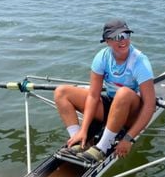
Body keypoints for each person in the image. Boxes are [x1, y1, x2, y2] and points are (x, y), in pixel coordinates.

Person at [54, 18, 156, 162]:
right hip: (111, 106)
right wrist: (83, 129)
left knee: (123, 93)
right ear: (107, 41)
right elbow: (93, 96)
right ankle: (78, 141)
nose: (123, 41)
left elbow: (150, 106)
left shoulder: (140, 62)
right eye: (116, 37)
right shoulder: (102, 57)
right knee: (61, 92)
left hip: (132, 113)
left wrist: (128, 138)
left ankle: (102, 147)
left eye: (126, 35)